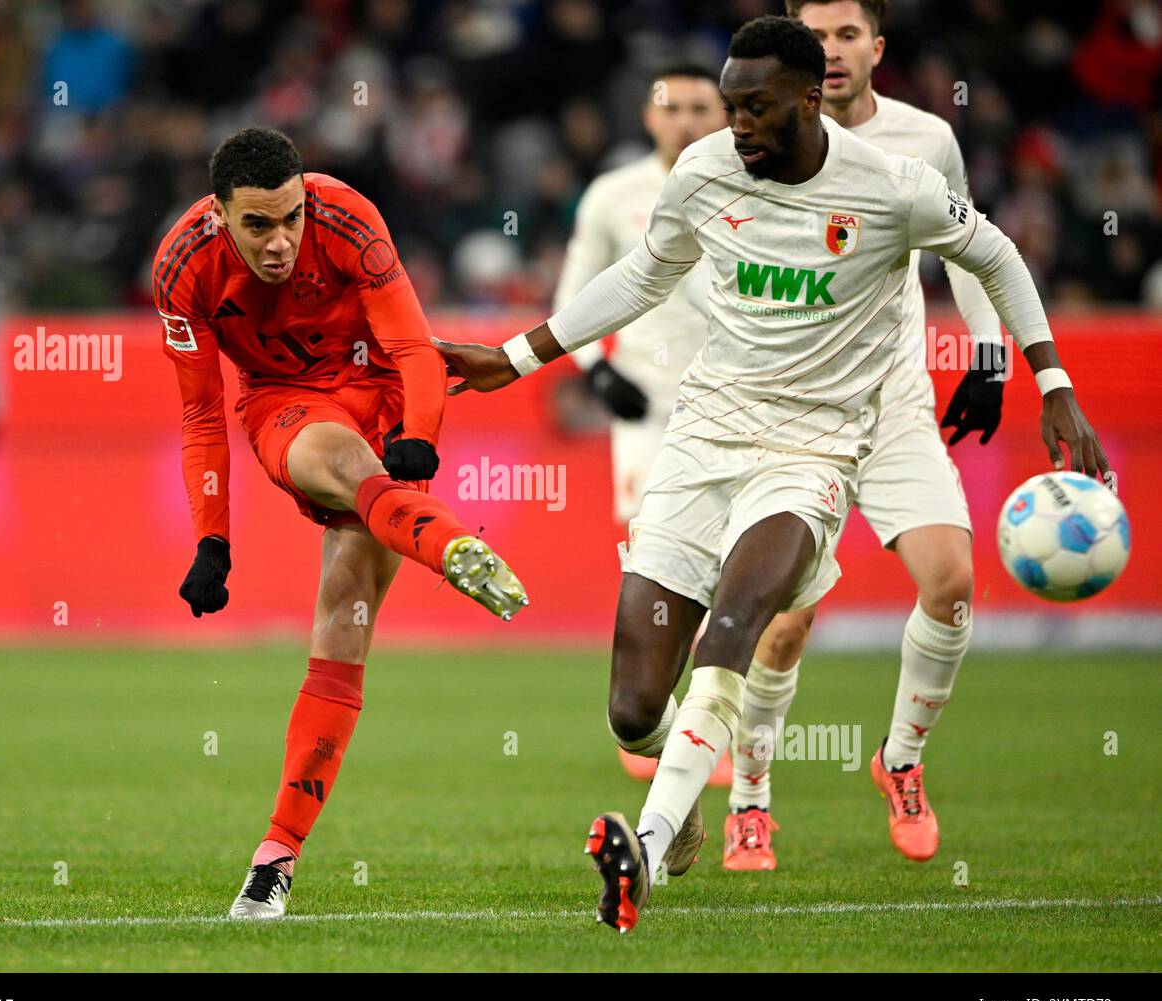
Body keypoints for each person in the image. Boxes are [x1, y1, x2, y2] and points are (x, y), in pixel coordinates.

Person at [436, 16, 1109, 933]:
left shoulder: (893, 186)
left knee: (744, 623)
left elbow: (995, 255)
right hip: (704, 439)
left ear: (806, 98)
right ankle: (681, 800)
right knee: (634, 710)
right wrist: (515, 358)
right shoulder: (708, 171)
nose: (737, 126)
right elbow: (642, 274)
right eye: (730, 107)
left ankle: (644, 846)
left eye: (754, 109)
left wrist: (1050, 380)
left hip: (815, 450)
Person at [153, 127, 527, 920]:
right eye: (258, 225)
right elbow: (199, 414)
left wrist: (421, 433)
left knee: (344, 622)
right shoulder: (181, 267)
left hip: (384, 389)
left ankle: (275, 858)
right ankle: (449, 544)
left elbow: (416, 349)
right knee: (352, 465)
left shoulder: (350, 218)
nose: (281, 240)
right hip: (286, 404)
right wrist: (212, 538)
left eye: (290, 217)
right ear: (220, 217)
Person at [717, 0, 1009, 872]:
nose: (835, 52)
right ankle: (752, 802)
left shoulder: (924, 142)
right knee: (782, 629)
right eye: (820, 37)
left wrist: (990, 357)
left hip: (891, 406)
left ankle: (901, 759)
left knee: (952, 581)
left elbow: (974, 254)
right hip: (796, 418)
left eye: (850, 35)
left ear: (876, 48)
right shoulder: (752, 144)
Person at [552, 63, 730, 788]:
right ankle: (663, 719)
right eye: (672, 107)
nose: (685, 119)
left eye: (700, 107)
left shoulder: (750, 187)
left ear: (722, 116)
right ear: (649, 117)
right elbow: (577, 294)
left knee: (726, 572)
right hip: (649, 411)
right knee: (656, 563)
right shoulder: (611, 196)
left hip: (732, 404)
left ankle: (709, 715)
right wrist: (595, 369)